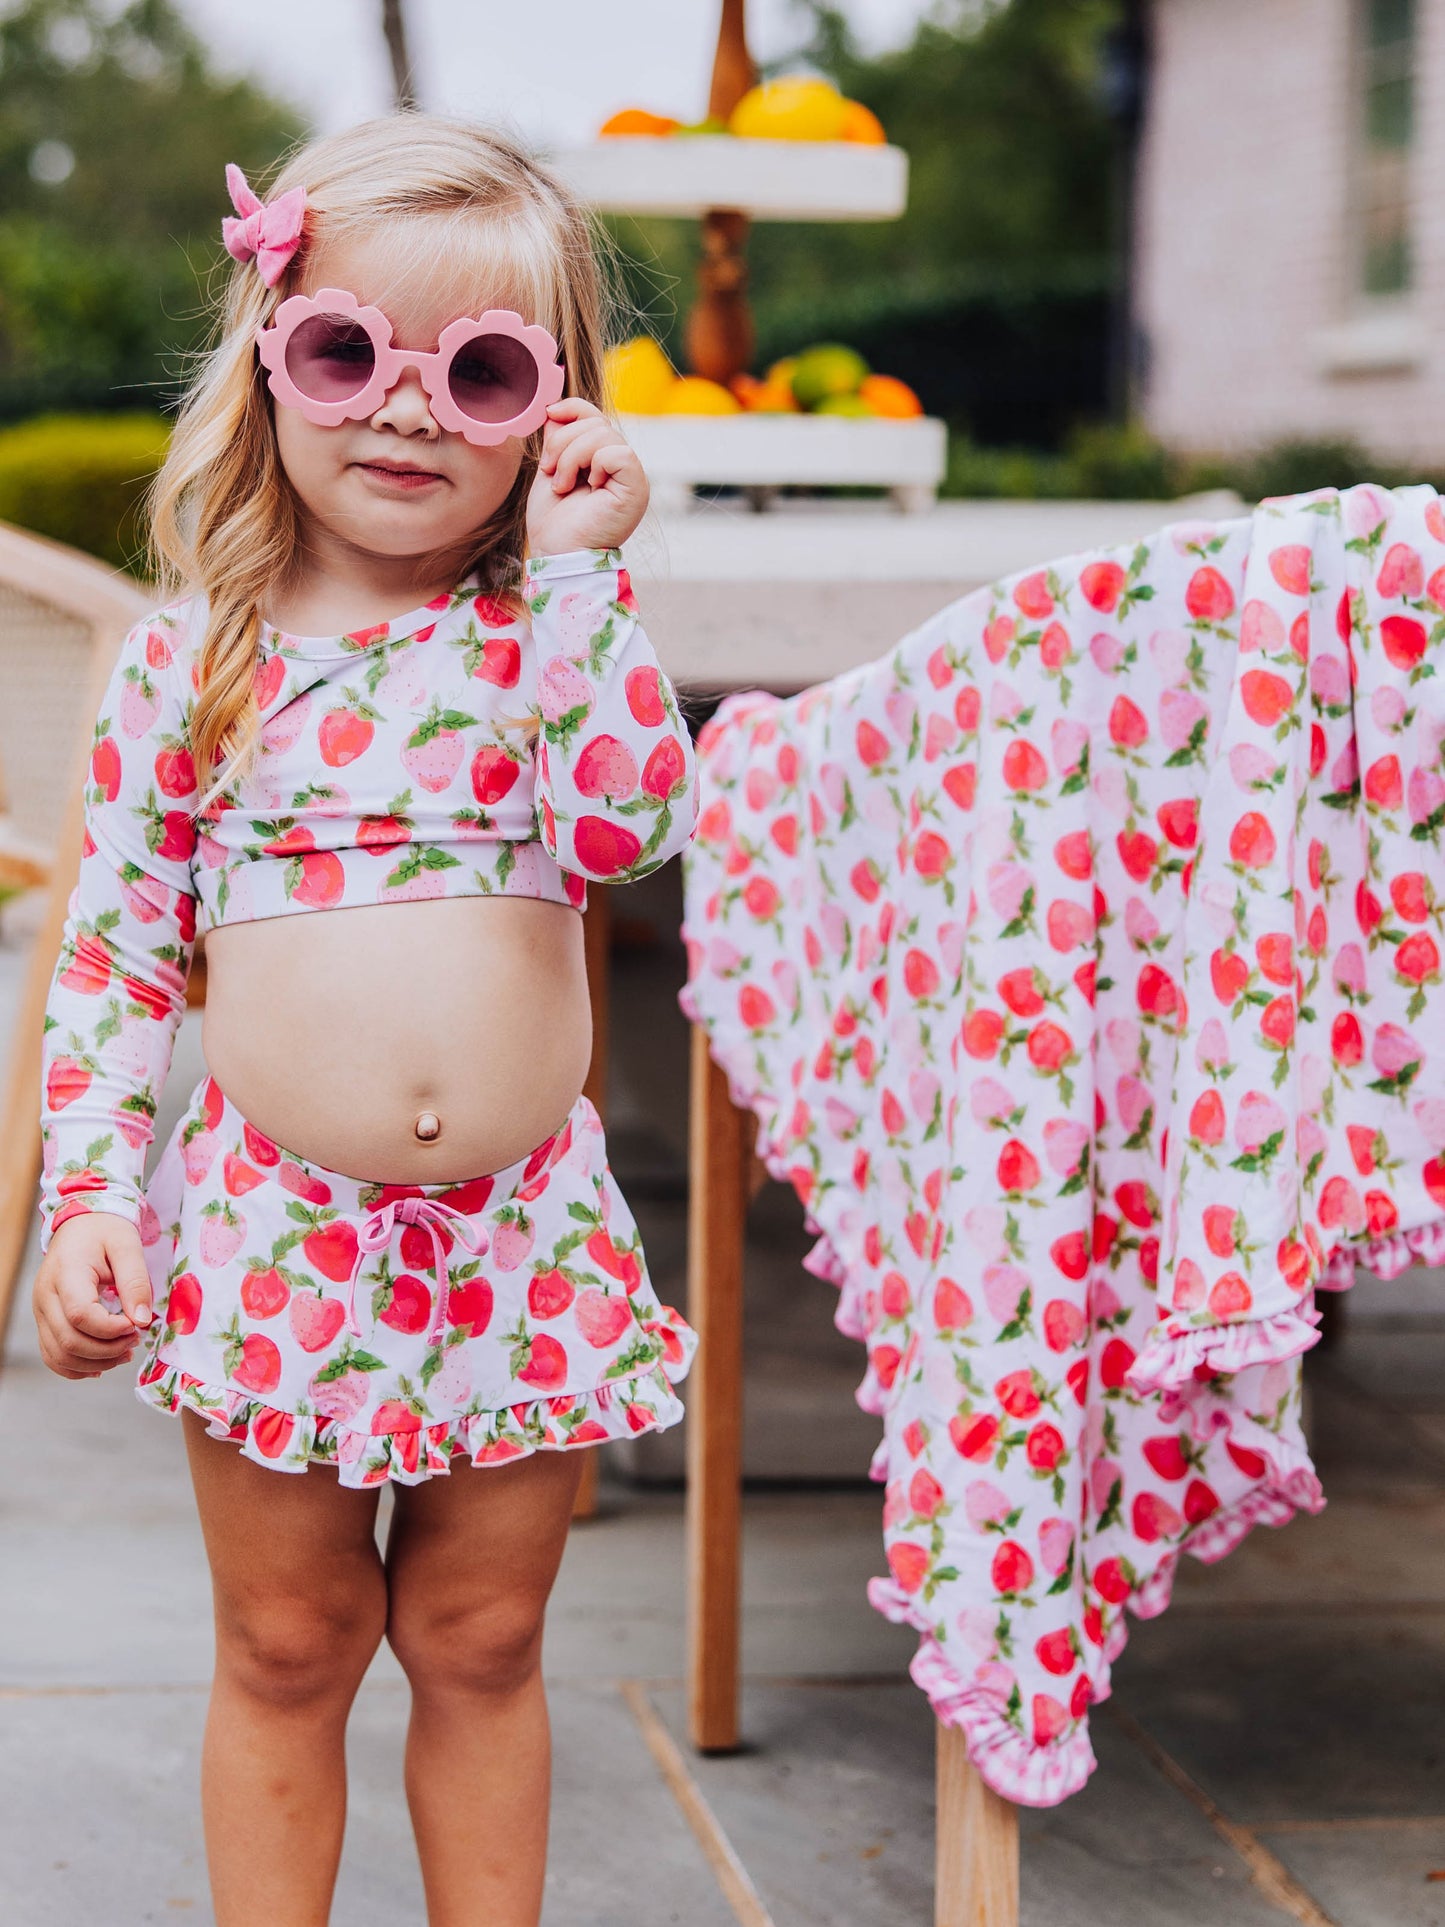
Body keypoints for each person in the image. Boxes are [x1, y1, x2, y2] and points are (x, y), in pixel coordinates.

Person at [29, 114, 700, 1926]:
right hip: (276, 1233)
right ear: (272, 362)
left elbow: (636, 827)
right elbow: (109, 954)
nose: (405, 411)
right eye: (349, 353)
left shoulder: (545, 637)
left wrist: (578, 577)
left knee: (482, 1639)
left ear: (551, 414)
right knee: (289, 1638)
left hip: (521, 1233)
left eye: (477, 374)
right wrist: (87, 1193)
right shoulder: (201, 657)